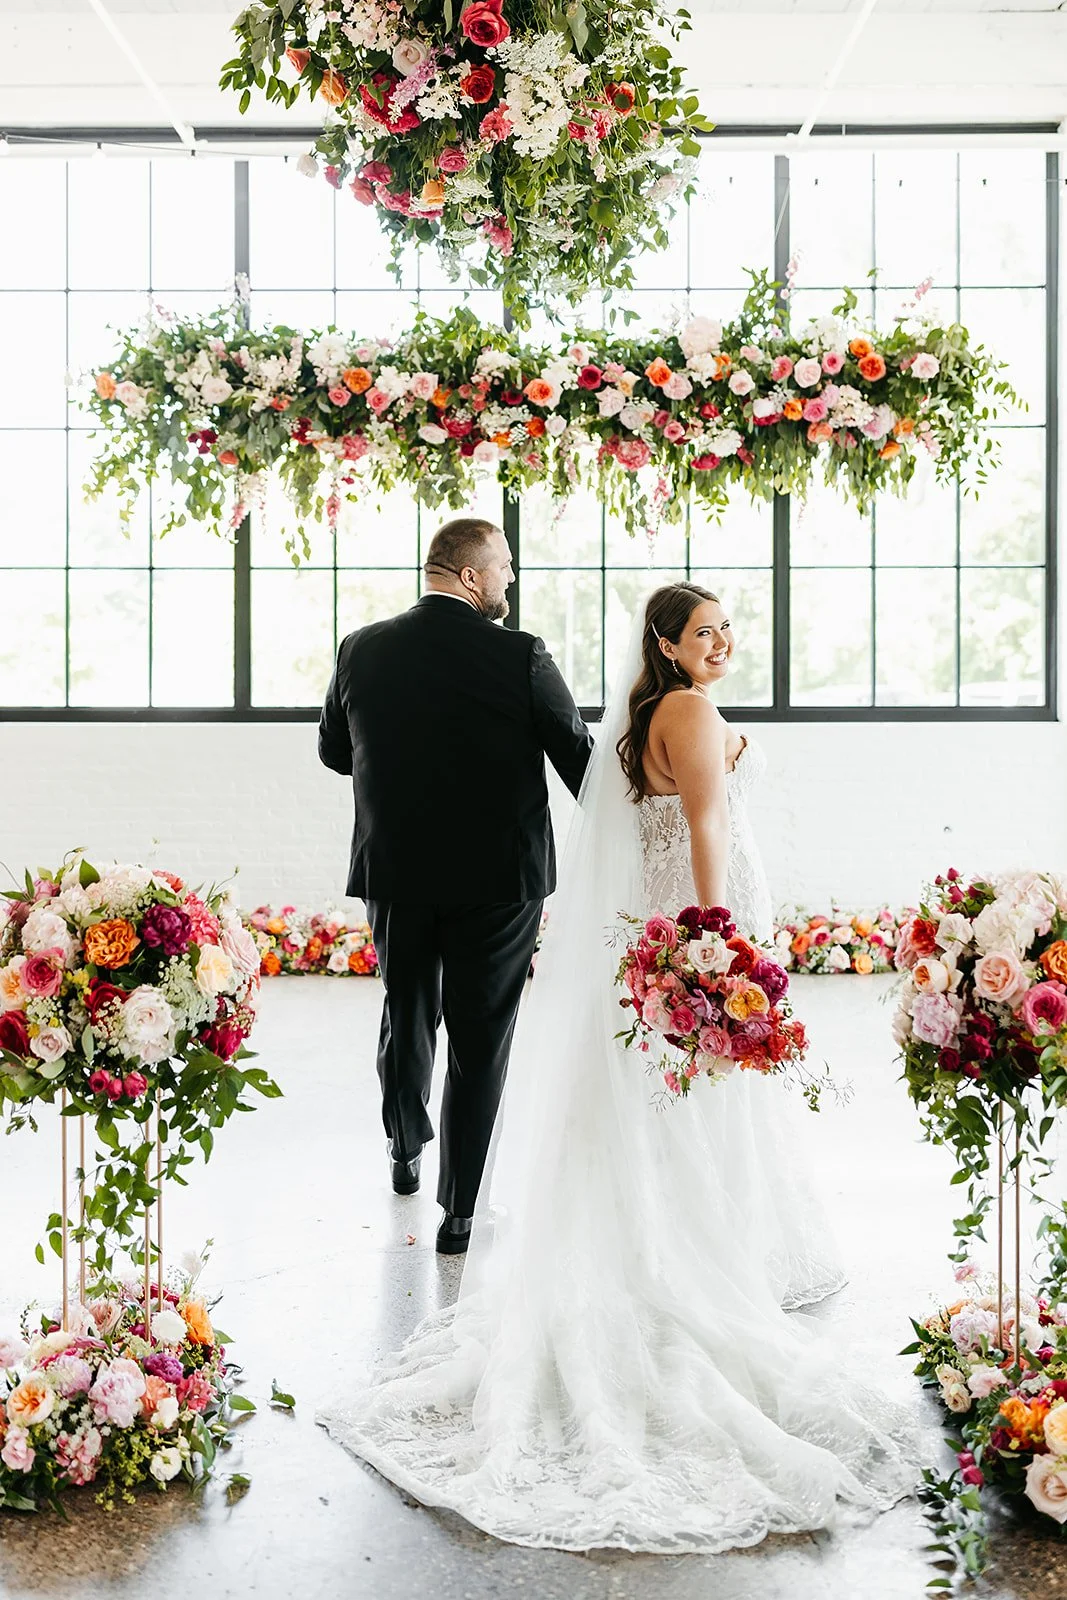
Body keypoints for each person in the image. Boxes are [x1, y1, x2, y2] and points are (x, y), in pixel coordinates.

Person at [319, 582, 917, 1552]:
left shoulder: (640, 711)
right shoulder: (684, 707)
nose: (721, 643)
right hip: (687, 929)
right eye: (703, 632)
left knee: (628, 1103)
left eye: (726, 629)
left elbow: (635, 823)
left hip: (612, 921)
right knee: (672, 1106)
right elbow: (702, 828)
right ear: (665, 643)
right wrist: (713, 935)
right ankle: (666, 1254)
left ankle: (599, 1216)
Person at [318, 516, 593, 1255]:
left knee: (406, 1007)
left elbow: (335, 754)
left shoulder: (360, 649)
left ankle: (405, 1145)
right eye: (503, 565)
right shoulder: (522, 654)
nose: (509, 577)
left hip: (396, 870)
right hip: (500, 880)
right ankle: (460, 1211)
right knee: (482, 1036)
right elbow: (579, 764)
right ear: (471, 576)